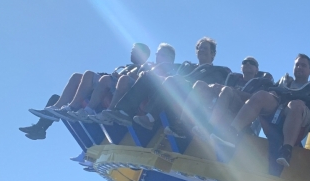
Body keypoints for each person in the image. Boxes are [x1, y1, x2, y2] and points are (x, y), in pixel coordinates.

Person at [218, 54, 310, 167]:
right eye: (297, 65)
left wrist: (302, 112)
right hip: (277, 112)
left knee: (295, 104)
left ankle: (286, 150)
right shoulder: (284, 82)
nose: (299, 67)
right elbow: (272, 92)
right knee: (261, 95)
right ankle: (232, 132)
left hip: (298, 118)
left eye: (303, 65)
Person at [98, 38, 229, 127]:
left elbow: (218, 88)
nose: (201, 50)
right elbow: (167, 67)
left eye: (205, 48)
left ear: (213, 53)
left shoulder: (220, 71)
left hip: (196, 96)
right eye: (199, 48)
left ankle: (150, 118)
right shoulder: (187, 66)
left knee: (173, 80)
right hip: (176, 88)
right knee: (150, 76)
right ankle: (124, 112)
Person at [27, 43, 151, 126]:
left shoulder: (145, 67)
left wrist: (124, 76)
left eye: (134, 51)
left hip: (127, 90)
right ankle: (60, 107)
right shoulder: (128, 66)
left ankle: (85, 109)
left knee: (104, 79)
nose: (131, 53)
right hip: (113, 84)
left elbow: (140, 82)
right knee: (79, 76)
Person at [166, 56, 273, 139]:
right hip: (222, 101)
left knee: (227, 90)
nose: (248, 64)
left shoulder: (260, 83)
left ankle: (210, 127)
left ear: (257, 70)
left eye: (252, 63)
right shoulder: (233, 78)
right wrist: (213, 86)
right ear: (241, 67)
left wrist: (233, 91)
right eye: (245, 62)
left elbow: (255, 99)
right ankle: (182, 124)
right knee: (199, 84)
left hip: (242, 110)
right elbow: (223, 88)